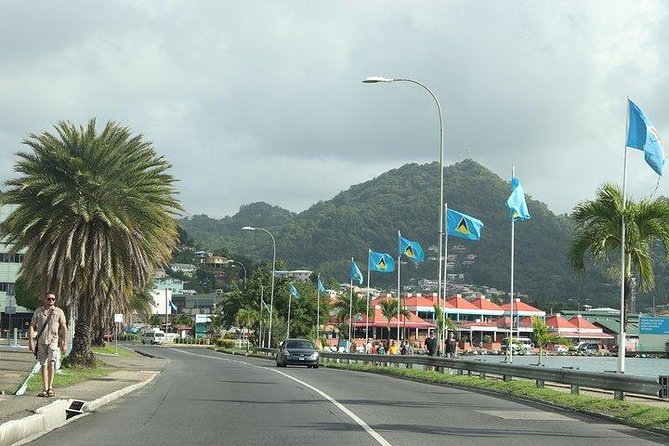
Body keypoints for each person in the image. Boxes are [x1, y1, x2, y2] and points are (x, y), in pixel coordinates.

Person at [28, 291, 68, 398]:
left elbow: (64, 327)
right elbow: (32, 326)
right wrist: (31, 341)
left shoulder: (59, 312)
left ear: (55, 300)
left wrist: (64, 342)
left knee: (51, 363)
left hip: (53, 341)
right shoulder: (38, 311)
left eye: (53, 299)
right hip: (41, 342)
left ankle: (50, 388)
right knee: (43, 365)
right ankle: (45, 389)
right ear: (45, 299)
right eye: (49, 299)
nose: (51, 301)